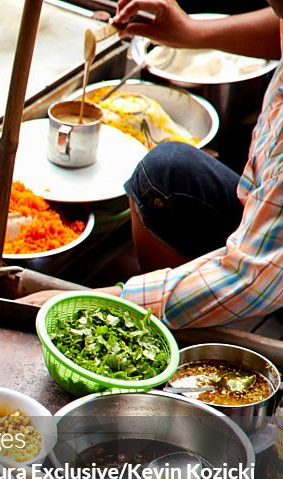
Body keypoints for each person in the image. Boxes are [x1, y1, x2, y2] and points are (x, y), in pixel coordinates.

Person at [19, 1, 283, 329]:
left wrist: (103, 304)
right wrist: (190, 32)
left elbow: (252, 277)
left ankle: (179, 339)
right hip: (259, 217)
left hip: (267, 273)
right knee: (165, 175)